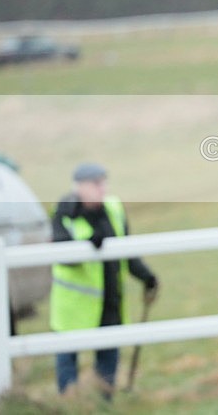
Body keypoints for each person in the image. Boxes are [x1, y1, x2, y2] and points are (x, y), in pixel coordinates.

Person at [50, 162, 159, 398]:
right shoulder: (64, 215)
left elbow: (126, 251)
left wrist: (146, 276)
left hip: (110, 300)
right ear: (79, 187)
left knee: (109, 354)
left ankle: (104, 401)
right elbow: (63, 256)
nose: (102, 188)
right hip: (74, 306)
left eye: (103, 183)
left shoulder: (114, 209)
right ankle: (68, 402)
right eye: (95, 184)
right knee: (67, 357)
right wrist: (86, 245)